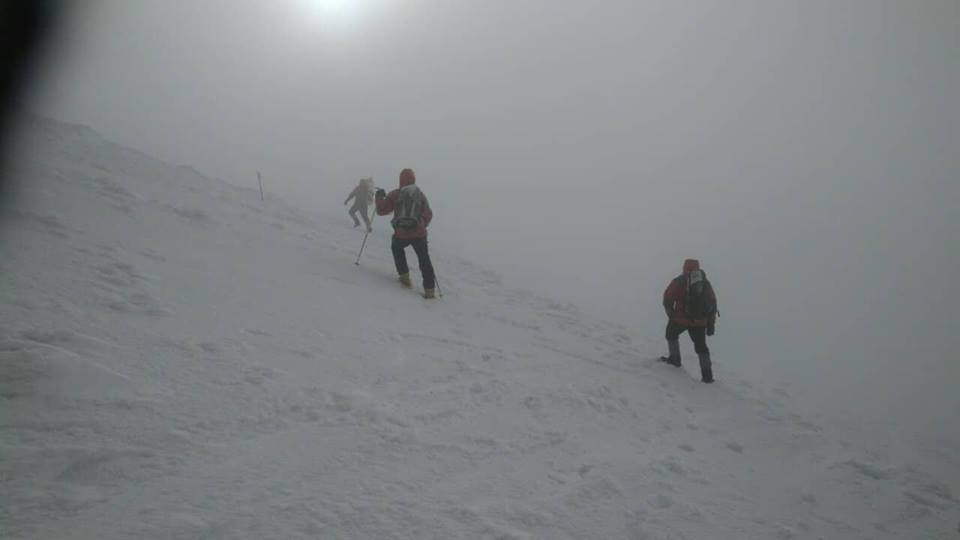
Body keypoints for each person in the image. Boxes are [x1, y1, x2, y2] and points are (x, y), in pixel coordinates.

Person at [375, 168, 436, 298]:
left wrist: (379, 196)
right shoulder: (420, 194)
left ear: (401, 180)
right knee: (424, 259)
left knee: (396, 248)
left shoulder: (395, 194)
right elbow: (429, 214)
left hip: (401, 233)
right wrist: (421, 225)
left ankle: (404, 278)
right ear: (413, 179)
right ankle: (430, 290)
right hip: (419, 234)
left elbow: (381, 210)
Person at [660, 259, 718, 383]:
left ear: (684, 267)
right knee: (701, 346)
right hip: (700, 321)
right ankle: (707, 376)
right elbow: (713, 304)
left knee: (670, 334)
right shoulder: (705, 283)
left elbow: (667, 298)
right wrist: (710, 325)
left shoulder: (680, 280)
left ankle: (675, 359)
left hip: (681, 318)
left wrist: (671, 314)